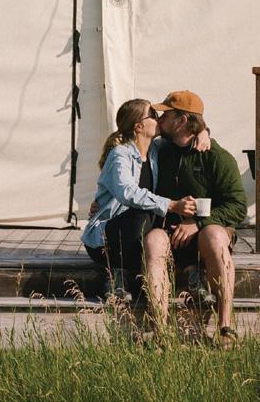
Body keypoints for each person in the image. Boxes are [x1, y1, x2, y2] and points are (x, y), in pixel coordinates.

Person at [143, 90, 247, 346]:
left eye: (165, 114)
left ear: (181, 121)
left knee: (215, 236)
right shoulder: (159, 150)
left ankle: (225, 328)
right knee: (153, 240)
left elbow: (238, 207)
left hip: (207, 234)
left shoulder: (216, 157)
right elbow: (126, 145)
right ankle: (160, 331)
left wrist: (199, 222)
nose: (159, 119)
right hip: (169, 231)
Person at [81, 98, 207, 301]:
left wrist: (203, 132)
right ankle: (116, 278)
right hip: (107, 241)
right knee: (144, 214)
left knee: (177, 219)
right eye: (154, 115)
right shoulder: (120, 155)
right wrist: (171, 204)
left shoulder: (155, 150)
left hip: (135, 234)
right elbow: (127, 192)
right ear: (138, 126)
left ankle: (193, 275)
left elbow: (184, 134)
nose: (159, 118)